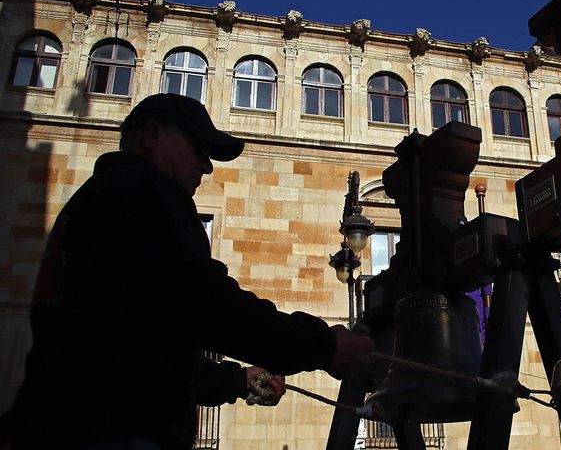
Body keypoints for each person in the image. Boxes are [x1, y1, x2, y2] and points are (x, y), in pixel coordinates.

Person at [8, 93, 373, 449]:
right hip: (111, 430)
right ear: (152, 137)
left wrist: (237, 380)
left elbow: (140, 349)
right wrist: (321, 345)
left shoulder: (97, 199)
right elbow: (206, 304)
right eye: (199, 149)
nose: (207, 165)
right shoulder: (145, 192)